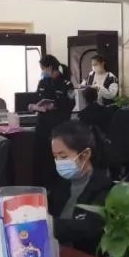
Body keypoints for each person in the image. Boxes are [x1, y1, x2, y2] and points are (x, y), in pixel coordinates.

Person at [49, 120, 113, 256]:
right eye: (55, 157)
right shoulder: (63, 182)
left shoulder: (104, 187)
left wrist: (48, 224)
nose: (59, 162)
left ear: (85, 154)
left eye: (63, 156)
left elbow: (89, 228)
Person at [31, 55, 75, 188]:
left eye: (43, 68)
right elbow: (36, 99)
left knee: (56, 160)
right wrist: (34, 106)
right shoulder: (43, 83)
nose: (42, 71)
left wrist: (55, 106)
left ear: (50, 67)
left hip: (58, 128)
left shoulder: (66, 84)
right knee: (40, 158)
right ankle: (40, 188)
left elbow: (70, 104)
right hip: (42, 126)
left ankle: (57, 189)